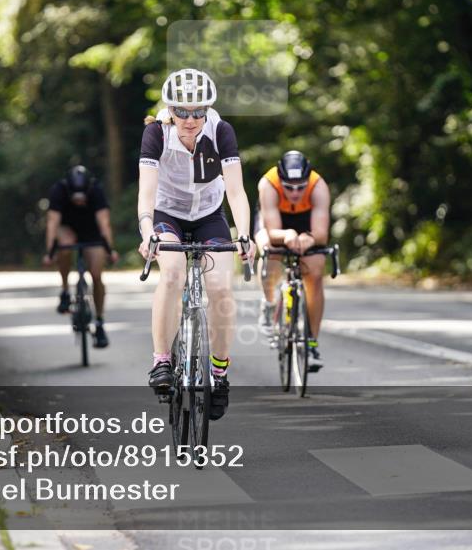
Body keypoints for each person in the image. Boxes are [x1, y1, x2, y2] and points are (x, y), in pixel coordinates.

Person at [138, 68, 255, 420]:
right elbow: (146, 194)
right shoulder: (155, 133)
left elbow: (235, 190)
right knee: (172, 274)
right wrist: (148, 233)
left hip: (208, 213)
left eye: (198, 112)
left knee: (220, 287)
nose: (190, 120)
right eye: (182, 112)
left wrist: (245, 235)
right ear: (170, 109)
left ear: (207, 110)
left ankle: (219, 373)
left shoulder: (221, 132)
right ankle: (162, 361)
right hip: (167, 214)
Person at [254, 151, 331, 370]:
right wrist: (286, 235)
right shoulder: (268, 184)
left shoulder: (318, 186)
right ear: (281, 180)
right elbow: (271, 230)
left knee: (315, 273)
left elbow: (321, 233)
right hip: (275, 223)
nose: (295, 192)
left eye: (300, 186)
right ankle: (269, 303)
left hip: (306, 222)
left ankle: (311, 344)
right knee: (270, 250)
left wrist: (310, 237)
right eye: (289, 186)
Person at [42, 165, 119, 348]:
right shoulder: (59, 190)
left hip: (91, 231)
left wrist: (110, 250)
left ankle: (99, 322)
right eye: (75, 198)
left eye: (82, 198)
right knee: (66, 244)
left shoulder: (96, 190)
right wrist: (50, 252)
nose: (79, 202)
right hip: (67, 228)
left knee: (97, 275)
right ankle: (65, 290)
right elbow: (53, 222)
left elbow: (104, 223)